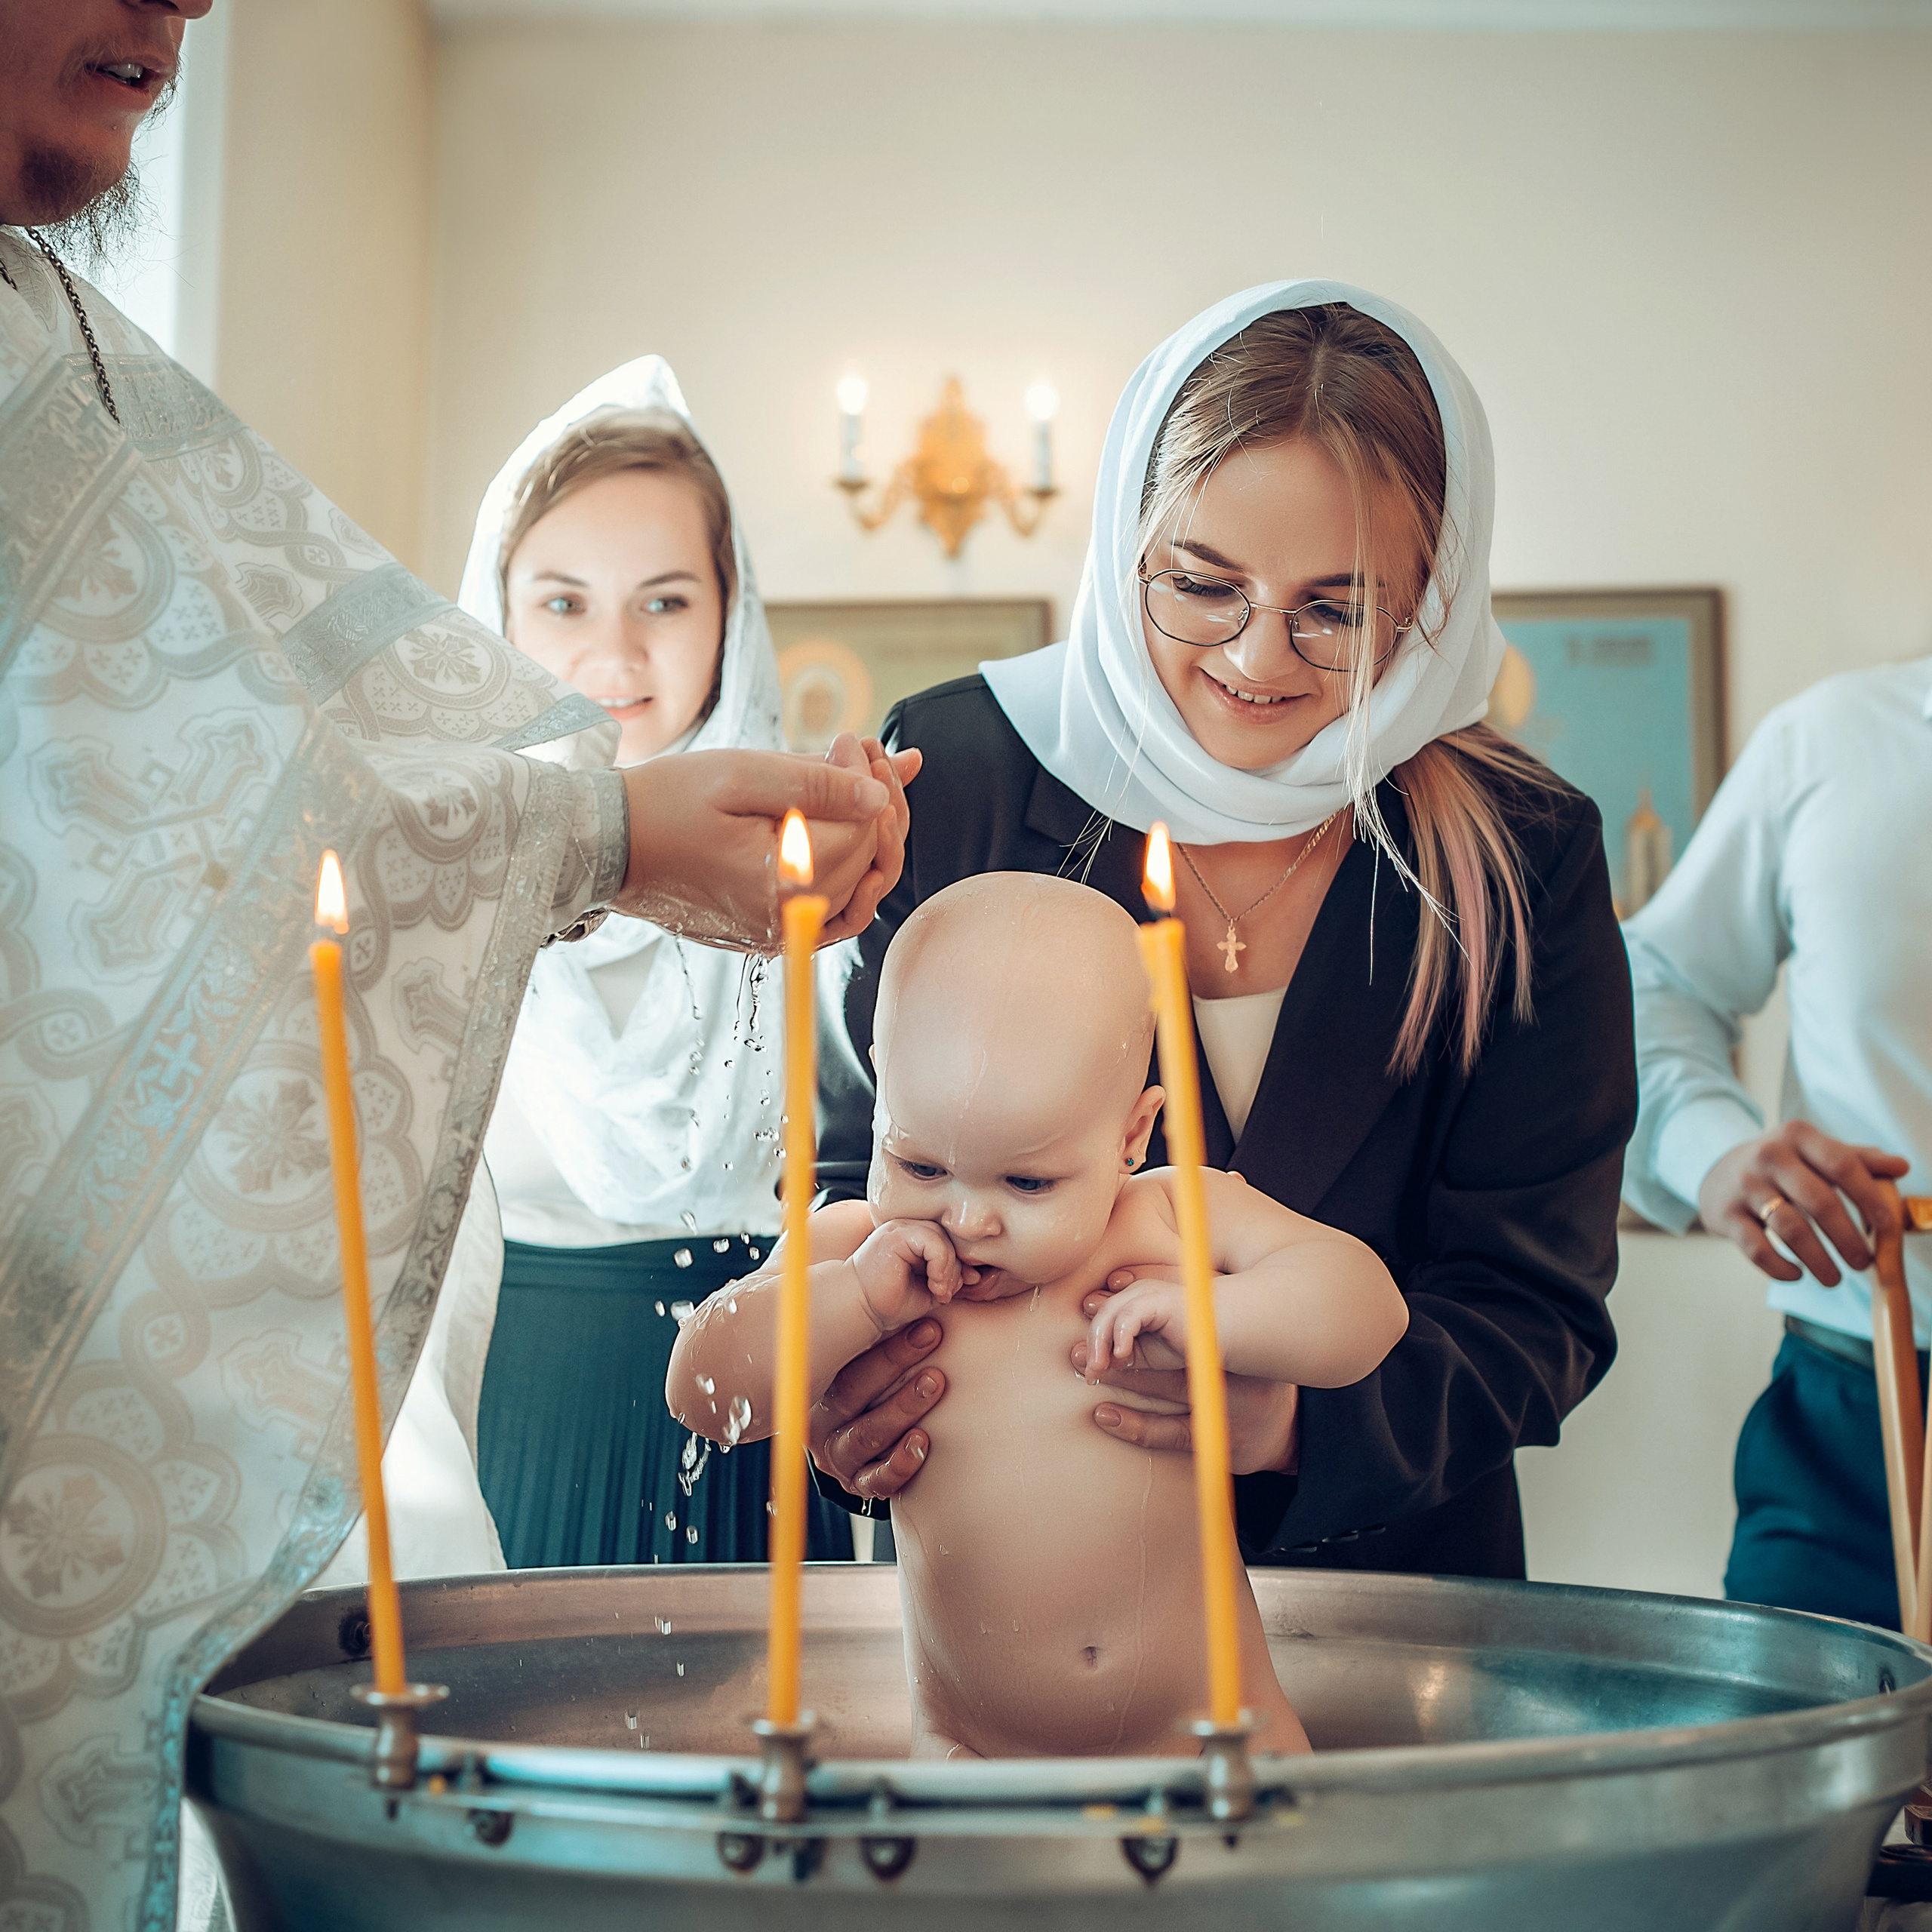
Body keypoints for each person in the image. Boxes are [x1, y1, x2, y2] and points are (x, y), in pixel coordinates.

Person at [0, 5, 914, 1924]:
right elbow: (179, 833)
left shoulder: (58, 330)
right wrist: (598, 836)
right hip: (544, 1454)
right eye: (559, 606)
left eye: (670, 600)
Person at [811, 282, 1638, 1581]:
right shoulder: (961, 774)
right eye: (1202, 585)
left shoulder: (1525, 852)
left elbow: (1535, 1308)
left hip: (1383, 1598)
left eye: (1338, 608)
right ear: (1123, 545)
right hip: (1010, 1576)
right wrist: (845, 1403)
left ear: (1435, 594)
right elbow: (855, 1186)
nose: (1258, 658)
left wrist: (1300, 1423)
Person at [671, 874, 1407, 1758]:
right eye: (919, 1162)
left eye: (1027, 1182)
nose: (966, 1218)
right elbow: (701, 1390)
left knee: (1262, 1890)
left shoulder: (1169, 1217)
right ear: (882, 1102)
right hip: (973, 1752)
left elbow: (1368, 1306)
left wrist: (1216, 1315)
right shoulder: (859, 1247)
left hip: (1213, 1730)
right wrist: (851, 1300)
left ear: (1130, 1137)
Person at [457, 358, 851, 1567]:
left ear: (732, 612)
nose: (615, 653)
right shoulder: (430, 870)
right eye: (565, 603)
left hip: (782, 1413)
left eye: (666, 601)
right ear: (498, 611)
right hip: (519, 1414)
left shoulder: (828, 856)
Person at [1620, 658, 1931, 1626]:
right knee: (1802, 1768)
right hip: (1855, 1414)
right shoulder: (1831, 739)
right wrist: (1715, 1153)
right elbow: (1658, 979)